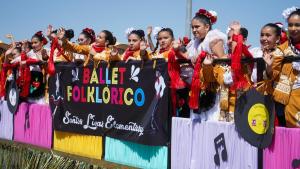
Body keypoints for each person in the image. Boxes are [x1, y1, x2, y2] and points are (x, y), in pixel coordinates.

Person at [184, 8, 227, 121]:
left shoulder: (214, 39)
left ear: (207, 27)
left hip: (213, 87)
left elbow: (223, 62)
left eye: (197, 27)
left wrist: (207, 63)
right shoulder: (195, 44)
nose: (194, 30)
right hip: (199, 86)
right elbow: (188, 57)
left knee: (211, 118)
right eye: (192, 27)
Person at [264, 7, 300, 127]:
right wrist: (269, 67)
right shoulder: (282, 49)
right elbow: (272, 73)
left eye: (297, 25)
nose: (293, 29)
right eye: (290, 25)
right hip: (292, 100)